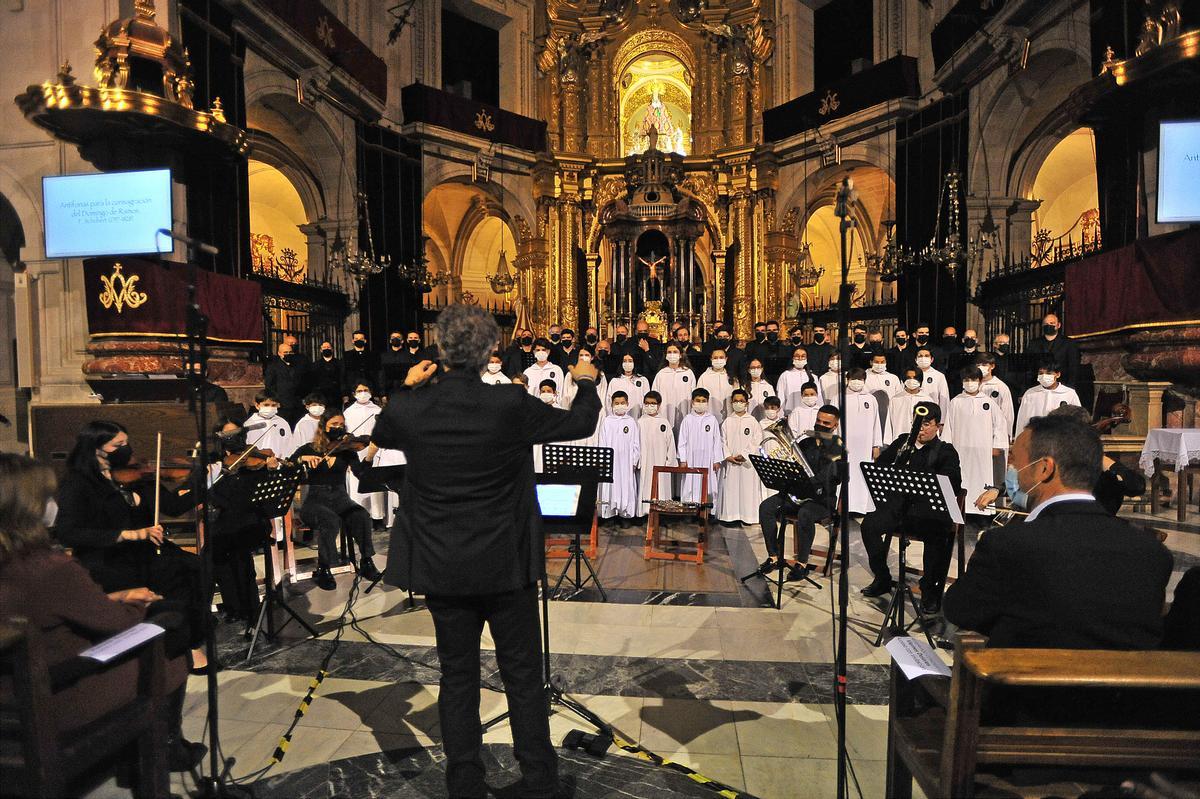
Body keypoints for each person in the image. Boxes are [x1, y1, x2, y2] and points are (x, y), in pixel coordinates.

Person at [371, 305, 598, 799]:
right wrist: (584, 381)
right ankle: (539, 781)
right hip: (505, 565)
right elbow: (579, 424)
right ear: (491, 352)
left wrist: (408, 385)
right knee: (522, 674)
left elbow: (381, 431)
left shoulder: (412, 407)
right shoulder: (510, 405)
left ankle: (466, 784)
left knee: (457, 676)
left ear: (439, 350)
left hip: (442, 565)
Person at [0, 453, 204, 771]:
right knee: (172, 647)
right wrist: (139, 604)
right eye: (48, 497)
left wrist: (115, 595)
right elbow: (116, 624)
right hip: (52, 697)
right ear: (28, 506)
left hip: (10, 694)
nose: (56, 505)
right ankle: (164, 751)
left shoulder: (15, 564)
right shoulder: (47, 567)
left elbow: (43, 609)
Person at [944, 415, 1172, 648]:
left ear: (1044, 469)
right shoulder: (1153, 553)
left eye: (1016, 460)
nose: (1012, 467)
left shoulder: (1009, 545)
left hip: (1027, 678)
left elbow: (960, 609)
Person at [50, 421, 211, 672]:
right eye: (119, 445)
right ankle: (167, 645)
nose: (127, 449)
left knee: (197, 568)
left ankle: (188, 641)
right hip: (108, 555)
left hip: (147, 550)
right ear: (96, 448)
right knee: (168, 575)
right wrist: (127, 534)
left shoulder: (137, 477)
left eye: (127, 443)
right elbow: (68, 532)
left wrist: (202, 480)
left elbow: (173, 506)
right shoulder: (78, 484)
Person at [859, 401, 962, 613]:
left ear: (937, 426)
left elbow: (953, 483)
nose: (921, 429)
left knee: (937, 537)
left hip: (928, 513)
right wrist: (900, 456)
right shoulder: (902, 443)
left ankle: (929, 589)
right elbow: (879, 468)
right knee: (869, 525)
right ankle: (882, 577)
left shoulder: (945, 451)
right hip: (899, 509)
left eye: (926, 424)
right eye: (917, 423)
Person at [974, 404, 1147, 517]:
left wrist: (1098, 457)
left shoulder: (1102, 470)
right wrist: (998, 490)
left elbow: (1136, 486)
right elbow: (1026, 478)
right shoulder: (1053, 461)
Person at [293, 412, 381, 589]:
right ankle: (323, 568)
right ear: (323, 426)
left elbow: (362, 474)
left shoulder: (347, 451)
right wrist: (302, 459)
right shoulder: (308, 449)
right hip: (314, 500)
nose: (338, 427)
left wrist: (370, 455)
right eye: (334, 424)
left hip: (340, 498)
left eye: (341, 424)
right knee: (330, 520)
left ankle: (366, 561)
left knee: (361, 515)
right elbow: (289, 465)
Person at [755, 405, 841, 581]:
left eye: (826, 423)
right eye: (818, 420)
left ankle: (801, 564)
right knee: (766, 507)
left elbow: (832, 477)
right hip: (798, 493)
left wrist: (808, 479)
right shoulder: (806, 442)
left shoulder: (837, 447)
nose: (820, 425)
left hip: (821, 499)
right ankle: (773, 556)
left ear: (835, 425)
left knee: (805, 514)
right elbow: (792, 465)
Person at [208, 418, 276, 625]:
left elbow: (262, 491)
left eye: (238, 433)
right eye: (229, 435)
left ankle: (249, 608)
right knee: (213, 555)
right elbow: (210, 492)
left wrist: (270, 469)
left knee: (238, 552)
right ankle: (234, 606)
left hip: (252, 517)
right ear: (220, 437)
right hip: (226, 516)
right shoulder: (213, 460)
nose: (235, 439)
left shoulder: (254, 458)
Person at [943, 366, 1009, 513]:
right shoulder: (955, 402)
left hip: (983, 452)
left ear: (979, 382)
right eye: (966, 380)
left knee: (982, 480)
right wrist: (948, 449)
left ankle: (982, 509)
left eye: (973, 379)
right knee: (962, 480)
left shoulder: (989, 402)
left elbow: (1000, 425)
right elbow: (949, 427)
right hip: (961, 450)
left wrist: (996, 446)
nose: (970, 383)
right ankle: (961, 509)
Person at [717, 389, 764, 524]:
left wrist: (744, 455)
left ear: (747, 403)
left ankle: (748, 517)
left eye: (741, 401)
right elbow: (722, 440)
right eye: (736, 401)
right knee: (731, 489)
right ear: (731, 403)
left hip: (747, 464)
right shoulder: (727, 421)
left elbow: (757, 440)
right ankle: (730, 517)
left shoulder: (753, 421)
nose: (738, 403)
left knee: (747, 490)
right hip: (731, 462)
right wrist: (727, 456)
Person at [343, 381, 386, 524]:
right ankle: (359, 518)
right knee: (356, 486)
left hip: (374, 451)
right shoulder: (348, 412)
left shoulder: (377, 410)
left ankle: (377, 518)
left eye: (365, 389)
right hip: (355, 453)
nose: (362, 393)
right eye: (359, 390)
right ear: (354, 394)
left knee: (375, 486)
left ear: (371, 392)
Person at [842, 368, 883, 514]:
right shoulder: (840, 398)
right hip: (845, 446)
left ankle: (862, 507)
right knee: (846, 476)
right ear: (847, 379)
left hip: (865, 447)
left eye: (860, 379)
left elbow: (876, 422)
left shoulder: (871, 399)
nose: (857, 382)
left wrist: (876, 444)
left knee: (863, 475)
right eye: (854, 378)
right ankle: (845, 507)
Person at [598, 391, 641, 522]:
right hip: (611, 462)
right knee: (610, 486)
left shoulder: (632, 422)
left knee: (626, 486)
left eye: (622, 403)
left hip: (626, 463)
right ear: (611, 405)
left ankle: (625, 515)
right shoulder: (607, 421)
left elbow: (636, 443)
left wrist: (634, 461)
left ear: (627, 404)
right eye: (616, 403)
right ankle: (609, 514)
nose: (619, 405)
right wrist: (603, 461)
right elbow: (602, 442)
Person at [677, 387, 724, 505]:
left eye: (703, 401)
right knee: (690, 483)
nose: (700, 403)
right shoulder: (687, 420)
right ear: (692, 402)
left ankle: (708, 510)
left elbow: (717, 441)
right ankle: (690, 509)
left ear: (707, 402)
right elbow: (682, 441)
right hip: (691, 458)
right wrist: (683, 460)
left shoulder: (712, 420)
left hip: (708, 459)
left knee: (708, 484)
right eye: (698, 400)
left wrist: (717, 459)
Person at [1014, 358, 1082, 433]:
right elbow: (1021, 419)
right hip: (1036, 437)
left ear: (1058, 374)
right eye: (1041, 373)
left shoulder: (1069, 394)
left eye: (1049, 373)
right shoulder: (1030, 394)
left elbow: (1079, 419)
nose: (1044, 376)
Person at [636, 391, 678, 510]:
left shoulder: (664, 422)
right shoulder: (639, 423)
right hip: (645, 463)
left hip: (661, 464)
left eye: (653, 403)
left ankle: (662, 512)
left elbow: (671, 445)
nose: (650, 406)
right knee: (645, 486)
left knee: (662, 488)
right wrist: (637, 462)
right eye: (647, 403)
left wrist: (669, 463)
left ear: (659, 405)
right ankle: (644, 512)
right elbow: (635, 445)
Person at [1024, 312, 1081, 389]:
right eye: (1046, 323)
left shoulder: (1069, 343)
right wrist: (1025, 389)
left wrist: (1070, 388)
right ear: (1042, 326)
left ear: (1058, 325)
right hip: (1038, 387)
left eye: (1052, 323)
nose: (1049, 325)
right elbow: (1028, 368)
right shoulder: (1033, 344)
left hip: (1061, 386)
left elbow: (1073, 368)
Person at [652, 342, 697, 436]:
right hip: (664, 413)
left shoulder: (688, 373)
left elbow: (694, 396)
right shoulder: (661, 374)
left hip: (684, 412)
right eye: (669, 352)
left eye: (675, 351)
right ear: (666, 355)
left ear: (680, 355)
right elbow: (655, 396)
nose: (672, 354)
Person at [884, 367, 933, 442]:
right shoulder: (895, 399)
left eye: (914, 378)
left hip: (921, 442)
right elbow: (889, 423)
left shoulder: (928, 400)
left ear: (920, 380)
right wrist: (888, 442)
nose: (912, 380)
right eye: (909, 378)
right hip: (898, 441)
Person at [263, 341, 306, 424]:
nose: (288, 354)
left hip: (297, 404)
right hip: (282, 405)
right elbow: (269, 385)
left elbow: (303, 382)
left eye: (290, 352)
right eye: (285, 352)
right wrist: (276, 401)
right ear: (279, 353)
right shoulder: (273, 366)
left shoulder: (298, 365)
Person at [976, 352, 1015, 436]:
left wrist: (1006, 435)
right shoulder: (972, 385)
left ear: (992, 366)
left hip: (994, 432)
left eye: (984, 364)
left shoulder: (1001, 387)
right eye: (978, 365)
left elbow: (1007, 414)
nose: (980, 367)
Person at [244, 391, 293, 457]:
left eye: (273, 405)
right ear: (257, 405)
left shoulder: (283, 422)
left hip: (279, 462)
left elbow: (289, 445)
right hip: (256, 463)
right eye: (266, 405)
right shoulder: (249, 424)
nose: (270, 408)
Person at [697, 347, 738, 422]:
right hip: (708, 418)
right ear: (711, 359)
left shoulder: (732, 378)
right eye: (715, 358)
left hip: (729, 418)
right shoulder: (704, 377)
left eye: (721, 357)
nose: (718, 360)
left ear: (726, 359)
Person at [776, 347, 823, 412]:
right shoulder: (785, 375)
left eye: (803, 356)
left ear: (807, 358)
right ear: (792, 358)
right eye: (797, 356)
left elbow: (819, 397)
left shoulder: (813, 376)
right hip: (790, 412)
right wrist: (782, 414)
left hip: (811, 413)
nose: (800, 359)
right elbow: (780, 396)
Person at [607, 353, 649, 417]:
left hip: (638, 418)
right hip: (618, 419)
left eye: (630, 361)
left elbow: (647, 400)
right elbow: (609, 401)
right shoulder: (614, 381)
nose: (627, 363)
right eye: (624, 361)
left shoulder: (643, 380)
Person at [289, 394, 326, 463]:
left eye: (320, 405)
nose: (318, 407)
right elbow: (297, 445)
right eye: (314, 405)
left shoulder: (327, 421)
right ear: (307, 407)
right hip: (309, 458)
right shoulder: (302, 423)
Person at [343, 330, 376, 404]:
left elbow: (377, 373)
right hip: (352, 391)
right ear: (353, 341)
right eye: (356, 339)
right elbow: (343, 375)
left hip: (369, 390)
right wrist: (345, 393)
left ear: (365, 341)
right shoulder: (347, 355)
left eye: (361, 339)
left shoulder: (372, 355)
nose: (358, 341)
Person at [914, 348, 950, 414]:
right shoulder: (909, 375)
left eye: (926, 356)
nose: (923, 358)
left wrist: (942, 420)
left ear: (932, 359)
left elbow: (944, 399)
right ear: (916, 359)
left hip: (932, 414)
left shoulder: (939, 376)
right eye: (920, 356)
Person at [312, 340, 342, 406]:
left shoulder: (339, 363)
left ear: (332, 349)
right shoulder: (315, 365)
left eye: (328, 347)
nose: (326, 349)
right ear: (321, 350)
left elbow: (342, 379)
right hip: (321, 396)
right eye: (324, 348)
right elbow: (313, 381)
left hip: (336, 395)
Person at [378, 331, 409, 395]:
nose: (395, 339)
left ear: (402, 341)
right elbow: (381, 375)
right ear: (390, 341)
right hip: (389, 390)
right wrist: (383, 393)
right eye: (393, 337)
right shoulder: (384, 356)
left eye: (398, 337)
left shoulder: (408, 355)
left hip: (405, 389)